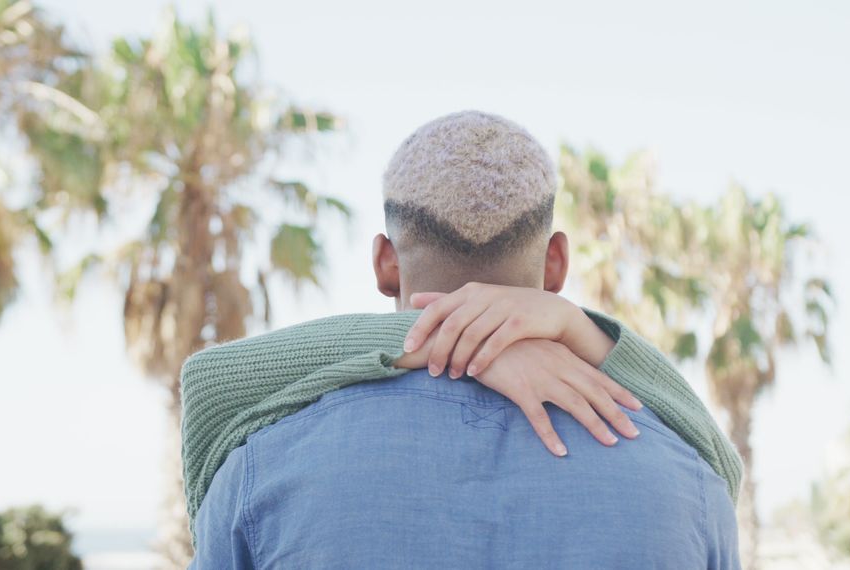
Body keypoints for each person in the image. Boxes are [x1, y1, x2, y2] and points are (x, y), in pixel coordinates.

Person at [184, 111, 741, 568]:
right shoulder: (688, 477)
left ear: (385, 263)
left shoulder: (258, 463)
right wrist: (576, 324)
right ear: (556, 265)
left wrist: (418, 339)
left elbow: (212, 382)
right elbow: (707, 443)